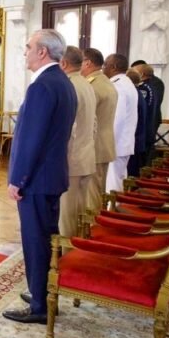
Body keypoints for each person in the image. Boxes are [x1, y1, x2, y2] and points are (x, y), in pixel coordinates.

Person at [3, 29, 76, 324]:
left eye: (28, 47)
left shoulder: (42, 86)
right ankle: (43, 293)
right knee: (45, 237)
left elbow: (31, 138)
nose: (25, 52)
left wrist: (18, 179)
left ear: (42, 51)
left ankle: (39, 307)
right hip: (51, 176)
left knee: (35, 240)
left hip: (37, 180)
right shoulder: (63, 82)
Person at [58, 47, 96, 239]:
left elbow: (69, 128)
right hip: (86, 156)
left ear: (63, 63)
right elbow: (94, 124)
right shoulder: (86, 83)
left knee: (67, 215)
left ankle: (65, 257)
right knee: (79, 209)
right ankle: (78, 246)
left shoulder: (69, 85)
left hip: (71, 159)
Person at [80, 48, 117, 210]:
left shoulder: (92, 86)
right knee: (97, 190)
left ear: (87, 63)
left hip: (95, 146)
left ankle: (91, 230)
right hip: (104, 144)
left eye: (79, 62)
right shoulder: (105, 81)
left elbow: (86, 119)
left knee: (92, 195)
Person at [103, 53, 138, 192]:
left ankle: (112, 210)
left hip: (116, 144)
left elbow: (116, 118)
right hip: (123, 142)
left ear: (114, 67)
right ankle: (115, 207)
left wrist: (108, 145)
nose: (103, 68)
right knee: (118, 179)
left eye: (105, 65)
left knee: (112, 184)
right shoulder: (126, 83)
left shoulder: (118, 86)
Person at [132, 61, 164, 157]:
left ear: (141, 74)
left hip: (148, 121)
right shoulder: (146, 85)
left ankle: (144, 168)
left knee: (144, 150)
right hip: (147, 121)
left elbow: (145, 106)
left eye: (134, 72)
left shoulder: (147, 86)